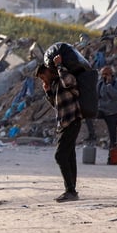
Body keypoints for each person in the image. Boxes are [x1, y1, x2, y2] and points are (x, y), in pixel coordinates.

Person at [36, 60, 82, 202]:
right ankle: (72, 190)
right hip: (64, 123)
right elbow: (56, 105)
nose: (43, 80)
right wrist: (48, 90)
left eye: (43, 77)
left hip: (72, 120)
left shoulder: (64, 77)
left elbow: (70, 82)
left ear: (48, 71)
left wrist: (60, 65)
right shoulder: (55, 84)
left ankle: (70, 190)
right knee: (69, 156)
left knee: (60, 155)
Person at [85, 66, 117, 149]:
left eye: (107, 74)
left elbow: (114, 95)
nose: (104, 76)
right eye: (103, 74)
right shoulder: (100, 83)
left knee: (113, 134)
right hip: (102, 109)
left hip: (113, 112)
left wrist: (109, 85)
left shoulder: (116, 83)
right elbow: (96, 95)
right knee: (88, 115)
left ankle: (112, 155)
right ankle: (92, 134)